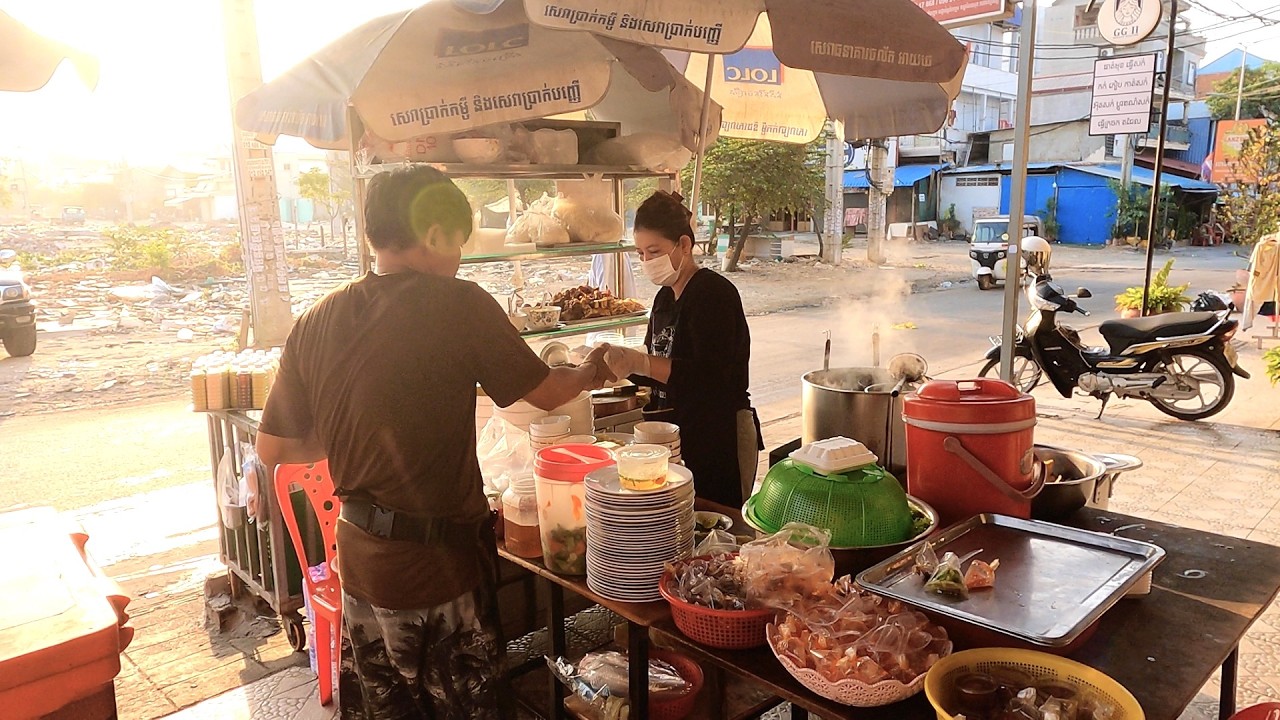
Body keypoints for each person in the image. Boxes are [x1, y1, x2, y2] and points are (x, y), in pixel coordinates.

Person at [255, 166, 612, 720]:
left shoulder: (315, 319)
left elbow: (275, 450)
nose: (461, 257)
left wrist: (363, 432)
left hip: (360, 565)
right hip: (438, 569)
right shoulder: (458, 304)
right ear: (436, 233)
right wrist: (592, 368)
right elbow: (545, 393)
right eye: (459, 241)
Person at [603, 191, 760, 508]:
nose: (647, 261)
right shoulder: (664, 298)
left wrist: (643, 363)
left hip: (718, 436)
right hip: (675, 437)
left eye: (654, 251)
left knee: (716, 526)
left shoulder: (713, 294)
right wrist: (618, 363)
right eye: (640, 254)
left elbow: (710, 377)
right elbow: (659, 369)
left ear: (684, 245)